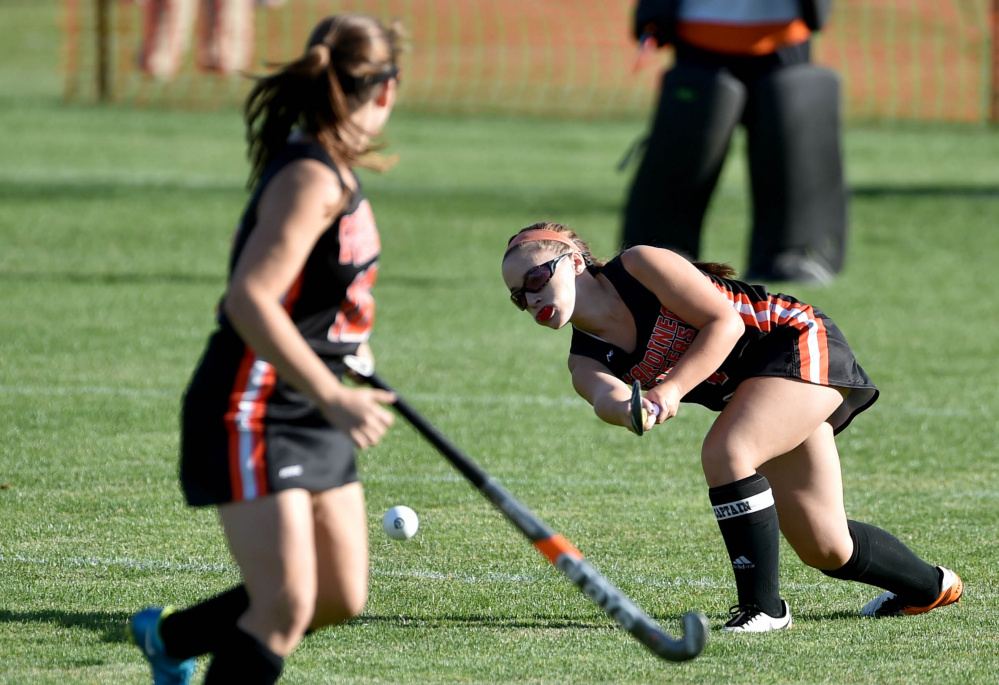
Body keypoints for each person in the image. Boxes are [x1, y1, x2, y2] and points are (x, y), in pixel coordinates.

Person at [500, 222, 963, 632]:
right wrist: (631, 409)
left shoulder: (640, 264)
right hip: (756, 394)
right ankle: (931, 587)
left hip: (795, 341)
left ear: (576, 261)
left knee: (726, 451)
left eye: (537, 278)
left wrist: (672, 389)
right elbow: (607, 397)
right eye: (520, 296)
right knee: (827, 547)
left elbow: (725, 324)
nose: (532, 297)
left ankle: (763, 609)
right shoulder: (583, 359)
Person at [126, 13, 404, 684]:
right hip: (255, 406)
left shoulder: (332, 167)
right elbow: (248, 299)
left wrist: (342, 367)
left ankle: (172, 638)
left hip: (309, 398)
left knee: (339, 595)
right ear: (386, 90)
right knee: (284, 603)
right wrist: (334, 393)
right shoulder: (309, 176)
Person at [623, 0, 847, 285]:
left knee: (790, 149)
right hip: (699, 32)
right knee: (684, 152)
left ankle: (792, 253)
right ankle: (659, 254)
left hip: (783, 33)